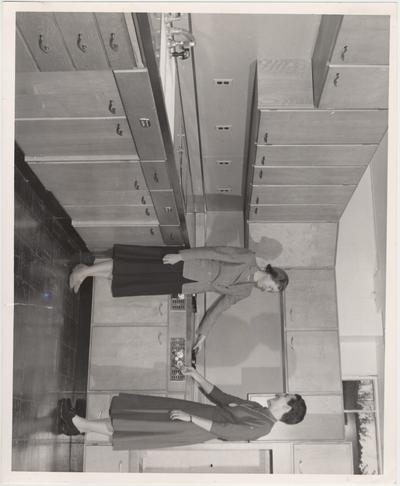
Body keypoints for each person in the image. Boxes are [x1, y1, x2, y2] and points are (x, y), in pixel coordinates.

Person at [69, 245, 289, 352]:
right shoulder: (248, 258)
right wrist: (181, 256)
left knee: (138, 279)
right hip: (186, 265)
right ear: (273, 276)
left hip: (186, 284)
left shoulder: (245, 291)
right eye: (271, 288)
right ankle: (81, 273)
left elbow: (220, 308)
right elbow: (215, 252)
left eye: (271, 293)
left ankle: (87, 271)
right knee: (135, 267)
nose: (267, 291)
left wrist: (203, 334)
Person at [59, 366, 306, 449]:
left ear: (287, 409)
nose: (279, 394)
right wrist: (196, 375)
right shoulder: (257, 408)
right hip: (195, 413)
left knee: (141, 426)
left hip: (194, 427)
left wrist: (190, 418)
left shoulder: (263, 427)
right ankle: (80, 425)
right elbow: (222, 397)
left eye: (284, 396)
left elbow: (225, 430)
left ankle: (78, 424)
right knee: (137, 416)